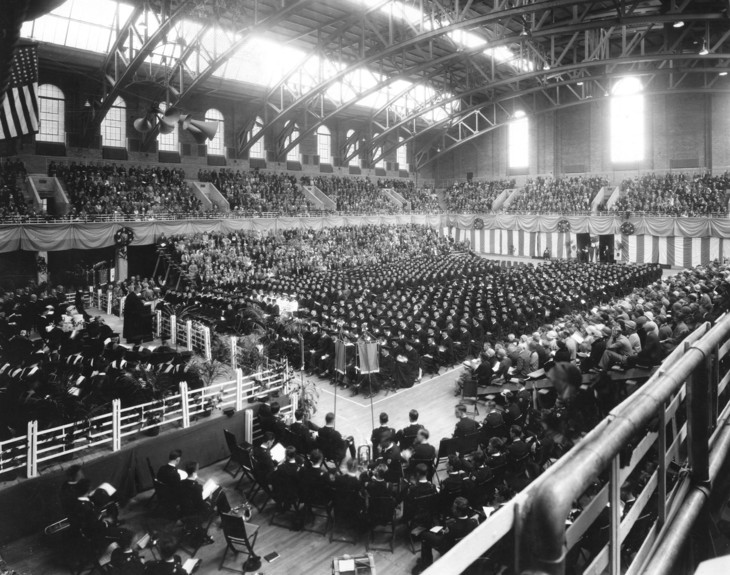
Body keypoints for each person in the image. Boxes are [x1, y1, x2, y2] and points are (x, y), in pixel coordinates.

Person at [414, 497, 479, 572]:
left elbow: (443, 541)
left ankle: (425, 565)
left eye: (453, 508)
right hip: (462, 547)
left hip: (447, 547)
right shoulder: (473, 522)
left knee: (424, 535)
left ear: (459, 512)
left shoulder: (452, 527)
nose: (452, 509)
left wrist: (442, 532)